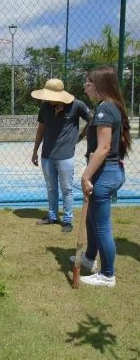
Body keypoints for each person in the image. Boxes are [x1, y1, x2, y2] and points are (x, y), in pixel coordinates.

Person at [70, 66, 131, 287]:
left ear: (99, 84)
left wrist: (86, 176)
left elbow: (104, 148)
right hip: (110, 171)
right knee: (91, 218)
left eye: (88, 82)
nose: (85, 87)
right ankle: (89, 257)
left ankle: (107, 274)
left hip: (104, 173)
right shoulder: (110, 107)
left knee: (102, 225)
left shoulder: (106, 110)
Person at [31, 78, 92, 232]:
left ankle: (67, 220)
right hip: (46, 156)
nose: (47, 99)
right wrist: (35, 151)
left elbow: (92, 120)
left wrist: (80, 136)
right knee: (51, 188)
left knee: (66, 189)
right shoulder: (45, 107)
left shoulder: (77, 105)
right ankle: (52, 216)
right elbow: (40, 130)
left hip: (66, 156)